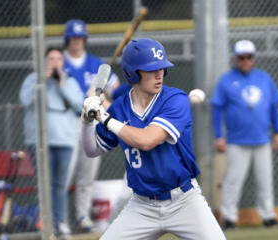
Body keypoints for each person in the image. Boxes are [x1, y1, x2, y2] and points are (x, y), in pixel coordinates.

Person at [81, 38, 226, 240]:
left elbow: (146, 140)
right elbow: (92, 150)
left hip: (184, 201)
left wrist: (103, 118)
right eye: (151, 70)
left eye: (162, 68)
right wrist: (87, 122)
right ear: (132, 73)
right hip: (141, 205)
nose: (159, 74)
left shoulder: (176, 99)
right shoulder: (121, 107)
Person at [210, 40, 278, 230]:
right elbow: (217, 110)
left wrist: (277, 132)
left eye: (249, 57)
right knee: (232, 181)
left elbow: (273, 107)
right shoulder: (226, 80)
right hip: (236, 141)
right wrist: (219, 136)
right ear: (235, 58)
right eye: (241, 57)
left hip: (262, 139)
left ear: (253, 58)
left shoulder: (264, 78)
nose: (245, 61)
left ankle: (268, 216)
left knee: (265, 181)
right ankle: (228, 218)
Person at [62, 19, 120, 233]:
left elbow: (114, 89)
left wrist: (102, 97)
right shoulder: (61, 63)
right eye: (73, 38)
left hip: (92, 125)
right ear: (67, 39)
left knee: (87, 175)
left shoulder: (96, 64)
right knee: (65, 176)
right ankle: (59, 219)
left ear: (84, 39)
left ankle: (82, 216)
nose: (77, 41)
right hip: (67, 125)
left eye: (80, 37)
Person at [19, 47, 84, 236]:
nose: (55, 62)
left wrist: (62, 85)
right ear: (44, 61)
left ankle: (60, 222)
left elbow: (80, 105)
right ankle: (46, 223)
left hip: (64, 140)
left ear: (63, 63)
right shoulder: (33, 80)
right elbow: (25, 100)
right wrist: (42, 82)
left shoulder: (69, 81)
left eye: (58, 59)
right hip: (39, 141)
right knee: (44, 183)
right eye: (51, 59)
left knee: (60, 184)